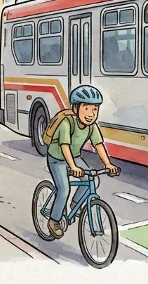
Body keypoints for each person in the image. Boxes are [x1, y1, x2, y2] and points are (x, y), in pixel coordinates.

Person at [44, 85, 120, 239]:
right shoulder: (66, 123)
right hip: (57, 158)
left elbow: (99, 145)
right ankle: (54, 221)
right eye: (86, 108)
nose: (91, 114)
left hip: (75, 156)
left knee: (93, 180)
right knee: (64, 189)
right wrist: (72, 167)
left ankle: (75, 204)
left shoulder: (92, 127)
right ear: (76, 108)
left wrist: (108, 164)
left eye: (95, 109)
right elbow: (64, 146)